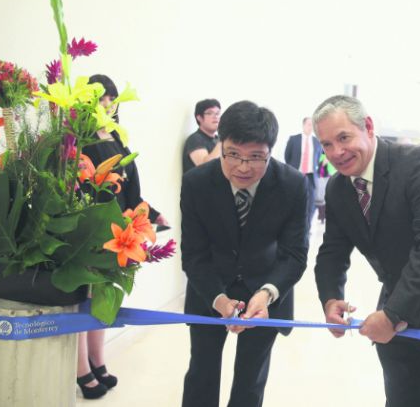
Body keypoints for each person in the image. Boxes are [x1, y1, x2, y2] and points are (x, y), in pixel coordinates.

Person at [312, 95, 420, 407]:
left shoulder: (418, 164)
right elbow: (332, 252)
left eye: (344, 138)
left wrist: (393, 314)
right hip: (398, 296)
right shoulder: (338, 189)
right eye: (327, 144)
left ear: (368, 127)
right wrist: (330, 298)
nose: (337, 152)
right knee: (399, 396)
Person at [180, 100, 309, 407]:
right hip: (209, 288)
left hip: (265, 292)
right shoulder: (197, 183)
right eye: (233, 154)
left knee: (251, 381)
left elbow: (294, 254)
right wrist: (219, 299)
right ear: (221, 145)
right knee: (201, 373)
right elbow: (194, 254)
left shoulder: (293, 185)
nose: (242, 166)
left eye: (255, 157)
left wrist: (266, 295)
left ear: (270, 152)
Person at [76, 74, 170, 399]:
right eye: (100, 98)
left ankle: (97, 360)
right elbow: (82, 183)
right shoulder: (80, 136)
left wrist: (151, 214)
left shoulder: (116, 134)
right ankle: (81, 370)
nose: (107, 104)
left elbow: (130, 185)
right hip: (91, 227)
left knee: (105, 297)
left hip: (119, 226)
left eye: (111, 98)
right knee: (85, 298)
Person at [284, 117, 323, 227]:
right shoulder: (293, 139)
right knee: (293, 201)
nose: (311, 127)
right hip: (295, 175)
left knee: (310, 204)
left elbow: (319, 159)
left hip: (311, 177)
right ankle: (292, 225)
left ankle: (306, 227)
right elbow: (287, 156)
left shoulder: (317, 142)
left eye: (312, 125)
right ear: (303, 125)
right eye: (309, 124)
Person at [182, 98, 222, 175]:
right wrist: (223, 139)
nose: (216, 117)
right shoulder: (195, 139)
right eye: (210, 113)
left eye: (218, 113)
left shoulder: (218, 139)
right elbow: (205, 167)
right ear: (199, 117)